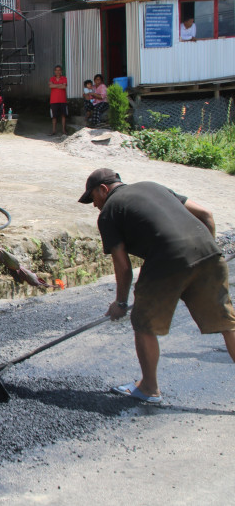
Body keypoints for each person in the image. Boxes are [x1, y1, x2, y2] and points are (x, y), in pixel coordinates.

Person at [79, 168, 235, 404]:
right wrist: (209, 251)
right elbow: (206, 214)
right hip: (209, 254)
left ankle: (149, 388)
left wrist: (121, 303)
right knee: (227, 323)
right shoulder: (155, 186)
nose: (94, 205)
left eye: (93, 198)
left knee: (144, 323)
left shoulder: (109, 212)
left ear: (103, 189)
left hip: (167, 259)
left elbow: (122, 267)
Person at [49, 65, 68, 136]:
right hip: (53, 100)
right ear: (54, 71)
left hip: (62, 100)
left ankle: (63, 130)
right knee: (54, 116)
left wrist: (55, 85)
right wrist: (60, 85)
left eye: (59, 70)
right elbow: (50, 86)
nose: (58, 71)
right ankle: (53, 131)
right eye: (56, 70)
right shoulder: (52, 78)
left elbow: (64, 86)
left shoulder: (64, 78)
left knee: (63, 115)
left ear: (61, 71)